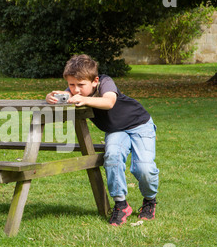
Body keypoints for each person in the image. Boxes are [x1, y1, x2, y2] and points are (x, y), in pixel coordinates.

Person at [46, 54, 159, 226]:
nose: (76, 90)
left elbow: (109, 102)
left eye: (81, 85)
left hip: (139, 125)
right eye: (71, 84)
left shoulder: (105, 82)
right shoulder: (74, 90)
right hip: (115, 131)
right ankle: (121, 204)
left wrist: (84, 99)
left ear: (94, 81)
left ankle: (150, 200)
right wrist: (51, 97)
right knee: (112, 157)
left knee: (143, 167)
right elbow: (63, 94)